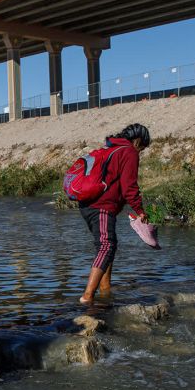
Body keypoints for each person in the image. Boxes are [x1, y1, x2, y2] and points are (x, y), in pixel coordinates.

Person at [78, 124, 151, 305]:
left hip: (87, 205)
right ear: (138, 141)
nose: (140, 152)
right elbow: (129, 187)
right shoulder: (129, 152)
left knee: (107, 246)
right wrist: (140, 210)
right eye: (142, 148)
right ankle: (87, 297)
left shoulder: (110, 148)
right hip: (101, 206)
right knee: (107, 246)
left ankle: (105, 291)